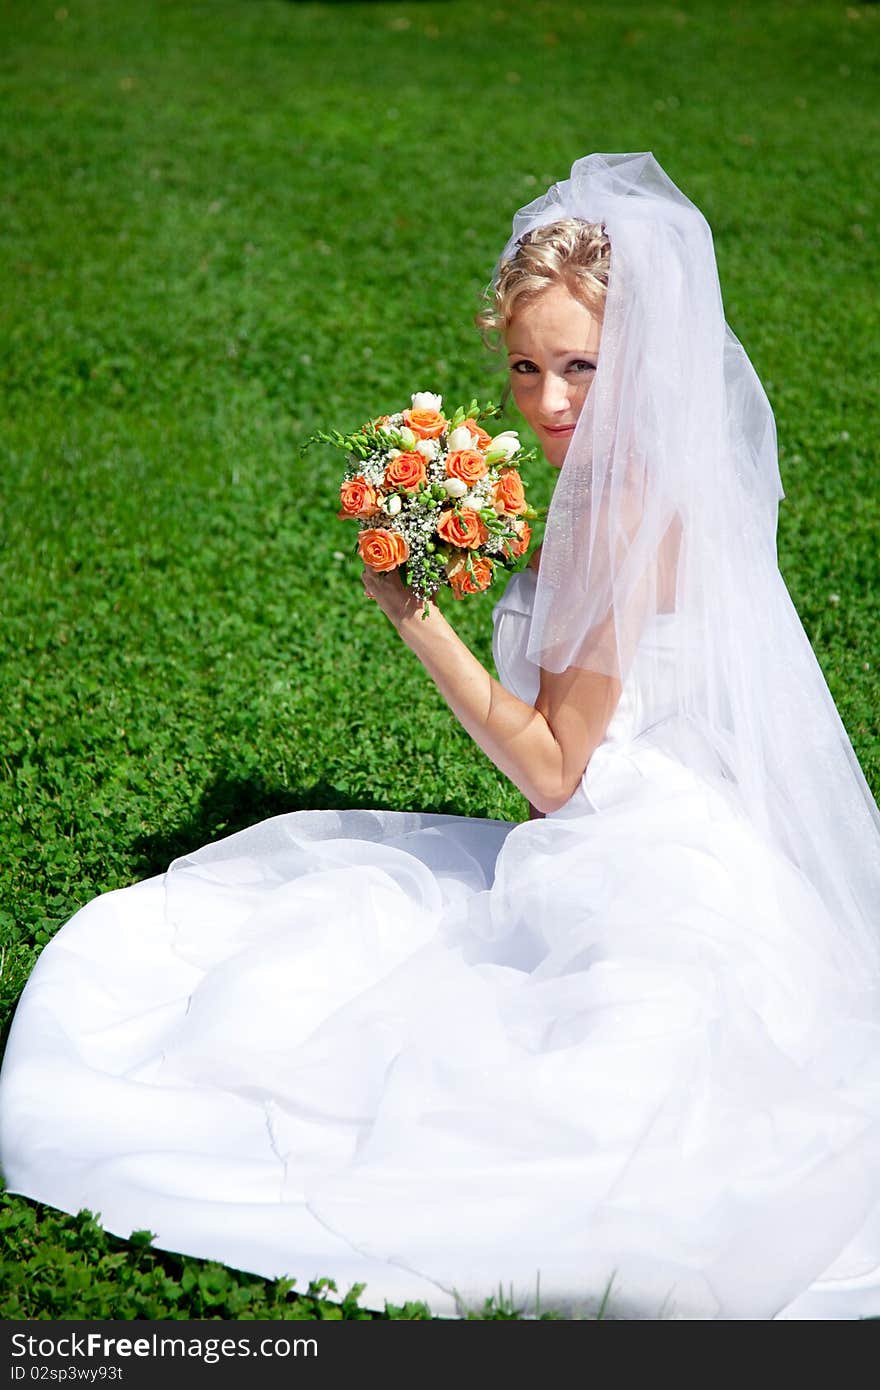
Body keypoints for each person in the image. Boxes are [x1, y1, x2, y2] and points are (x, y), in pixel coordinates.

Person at [1, 152, 880, 1321]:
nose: (550, 401)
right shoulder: (625, 476)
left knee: (497, 1105)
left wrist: (411, 611)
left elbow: (560, 772)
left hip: (637, 858)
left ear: (642, 364)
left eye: (582, 367)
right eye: (526, 366)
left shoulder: (622, 505)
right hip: (659, 830)